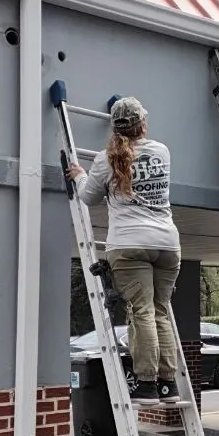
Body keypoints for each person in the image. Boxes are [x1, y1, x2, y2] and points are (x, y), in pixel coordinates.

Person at [66, 96, 182, 407]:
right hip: (167, 245)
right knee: (160, 311)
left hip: (129, 244)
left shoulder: (106, 160)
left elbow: (88, 198)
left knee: (142, 312)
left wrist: (79, 175)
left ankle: (147, 385)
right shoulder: (162, 151)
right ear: (142, 123)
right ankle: (168, 385)